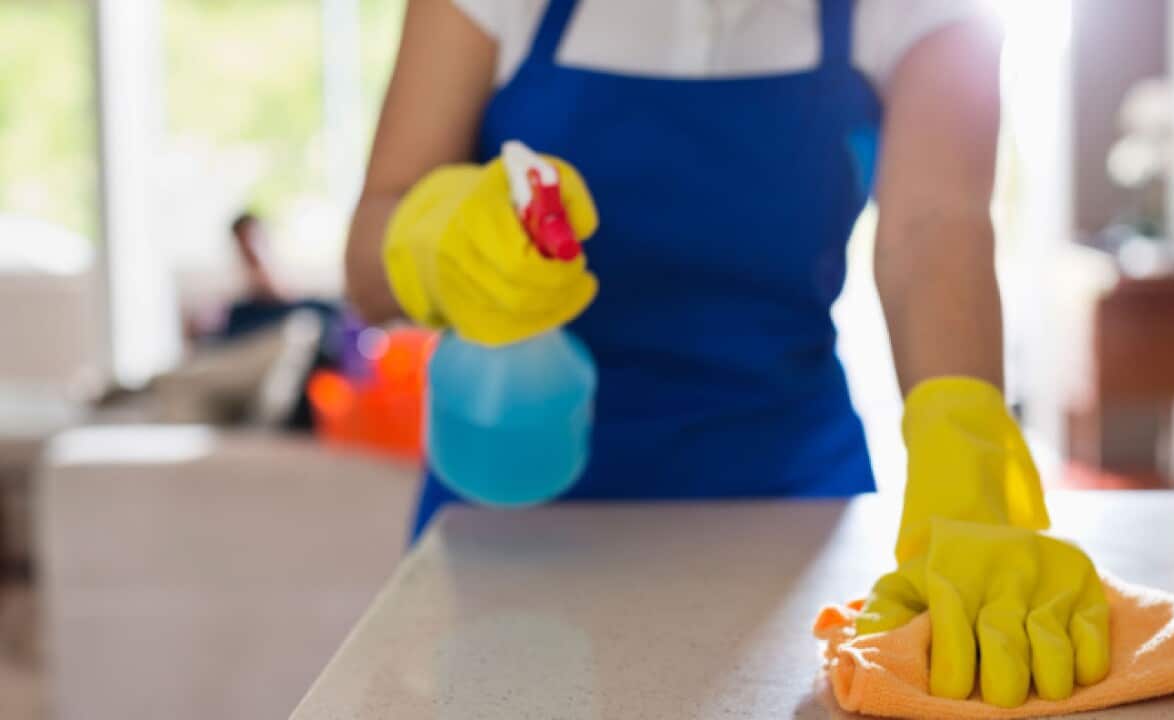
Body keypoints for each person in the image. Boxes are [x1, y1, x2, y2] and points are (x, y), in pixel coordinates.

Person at [346, 0, 1111, 707]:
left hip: (793, 508)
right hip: (513, 499)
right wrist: (437, 239)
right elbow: (365, 261)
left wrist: (965, 447)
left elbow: (933, 229)